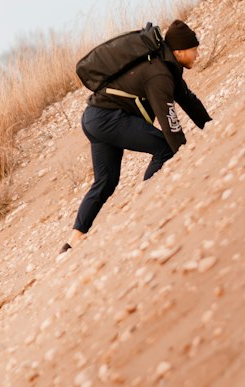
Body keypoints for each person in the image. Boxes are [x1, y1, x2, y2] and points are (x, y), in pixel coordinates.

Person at [61, 19, 210, 252]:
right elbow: (169, 120)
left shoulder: (168, 67)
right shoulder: (158, 74)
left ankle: (72, 240)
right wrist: (185, 154)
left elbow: (188, 100)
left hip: (94, 118)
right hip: (107, 119)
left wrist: (211, 127)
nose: (198, 54)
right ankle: (147, 203)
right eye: (194, 50)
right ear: (179, 51)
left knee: (106, 181)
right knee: (165, 147)